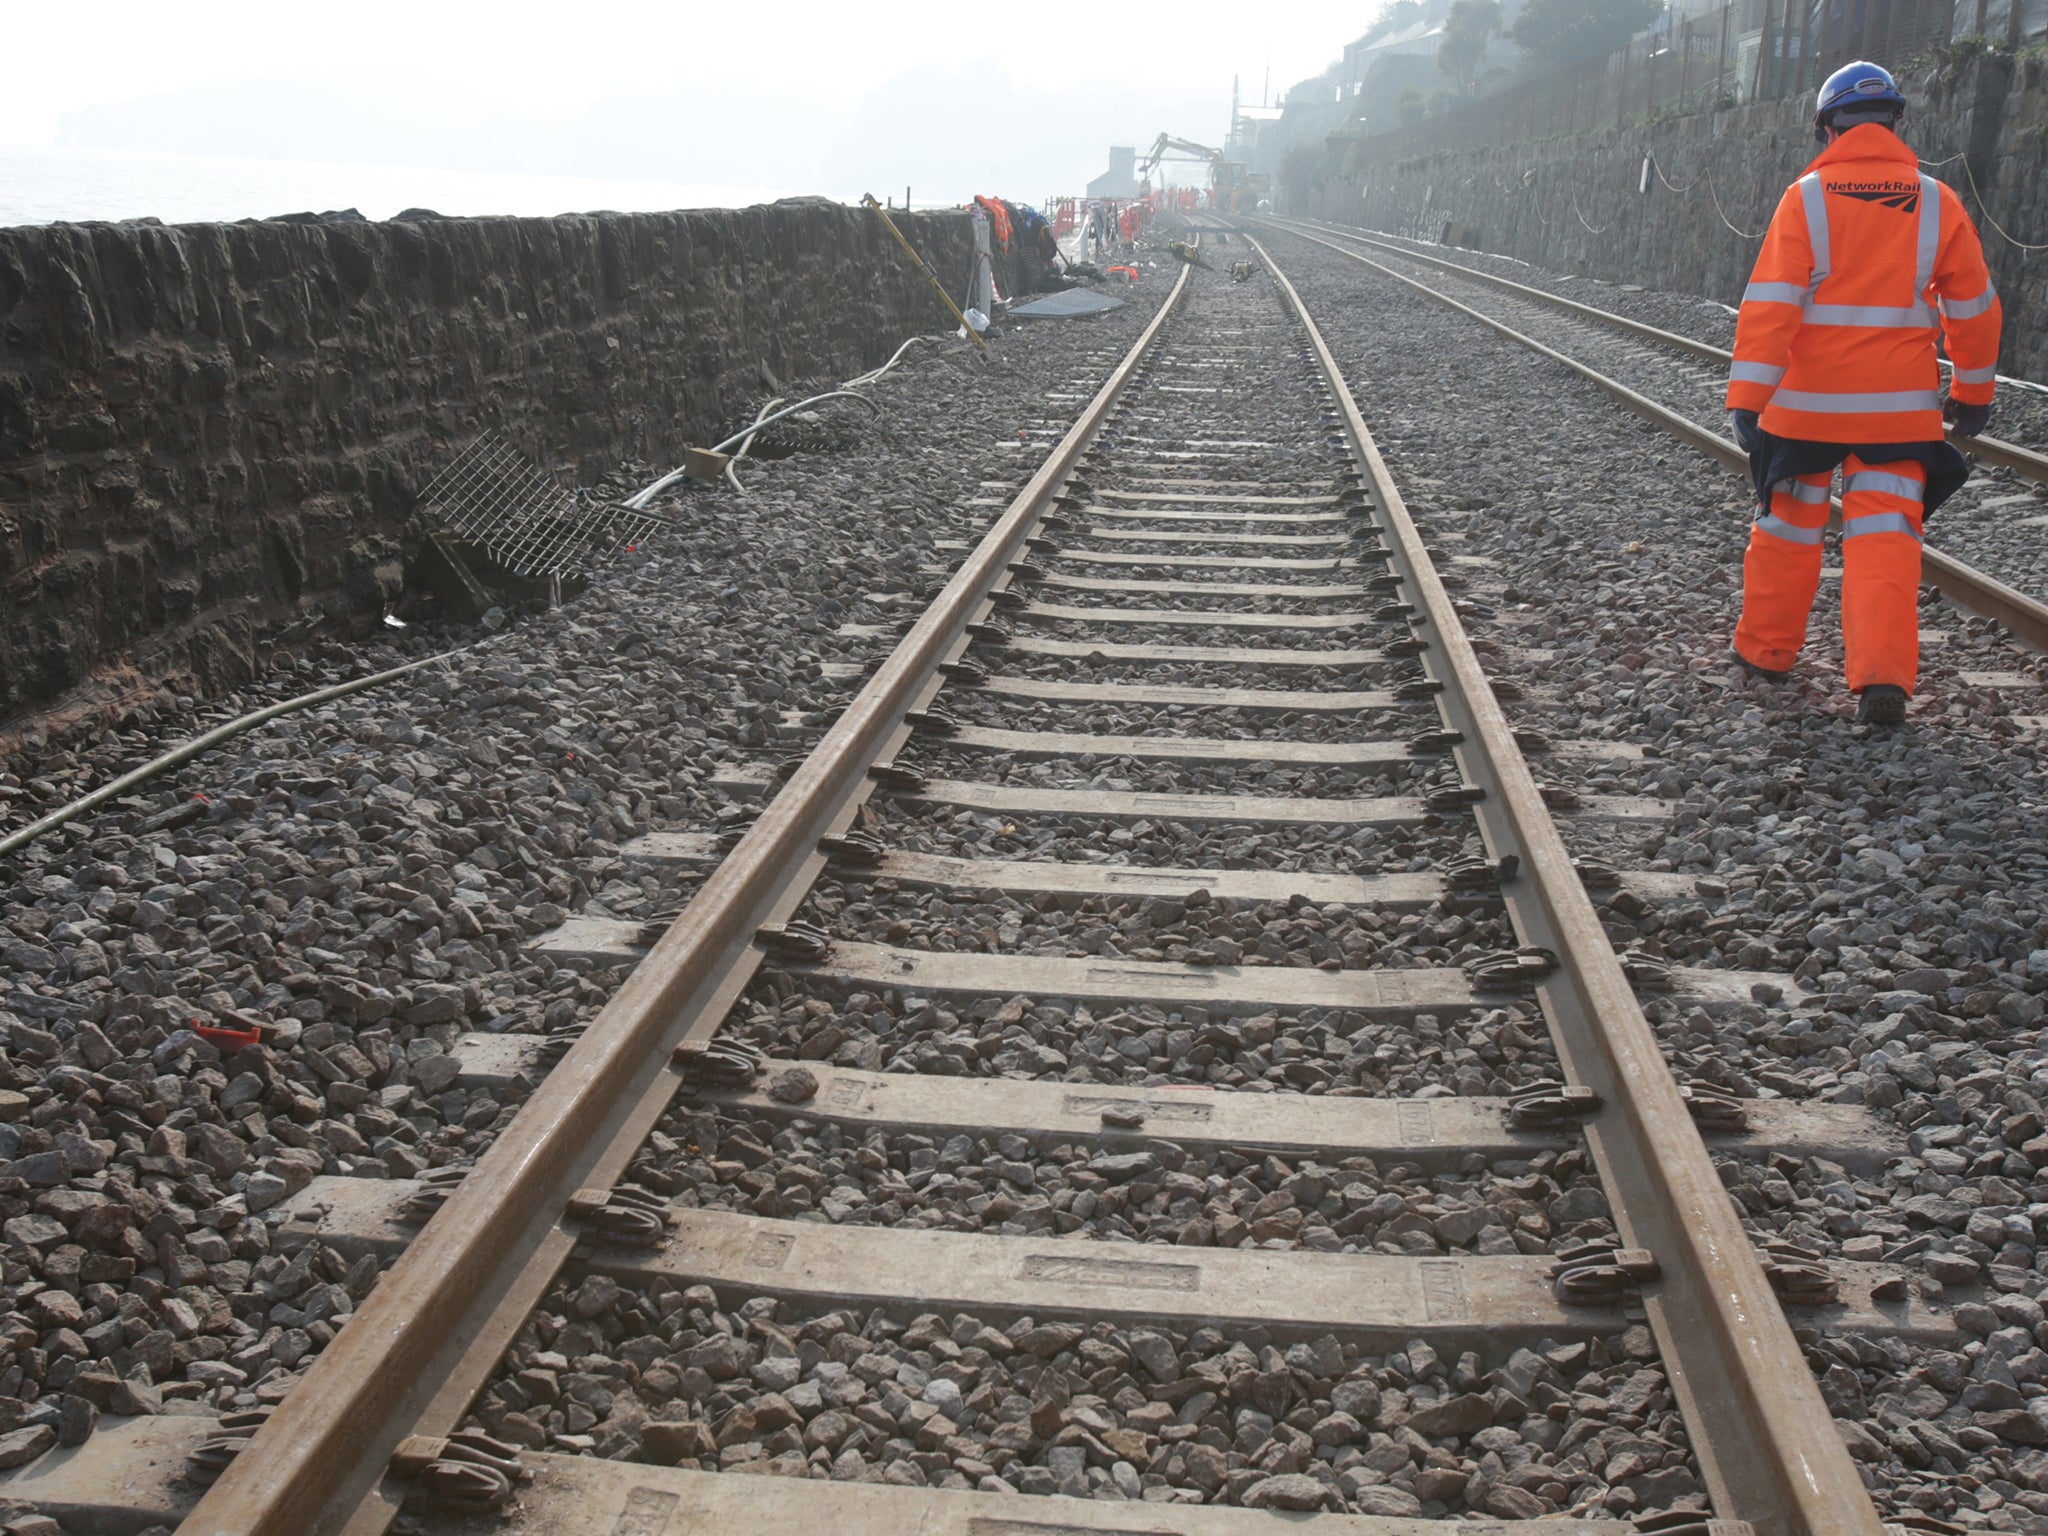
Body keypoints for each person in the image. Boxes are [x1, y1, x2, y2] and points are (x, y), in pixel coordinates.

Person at [1726, 60, 2001, 726]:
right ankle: (1882, 679)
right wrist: (1972, 390)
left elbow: (1771, 306)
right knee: (1885, 538)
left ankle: (1767, 653)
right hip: (1897, 415)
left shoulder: (1807, 197)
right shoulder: (1937, 202)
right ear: (1895, 125)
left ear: (1827, 129)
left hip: (1805, 411)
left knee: (1788, 529)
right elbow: (1974, 307)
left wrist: (1747, 398)